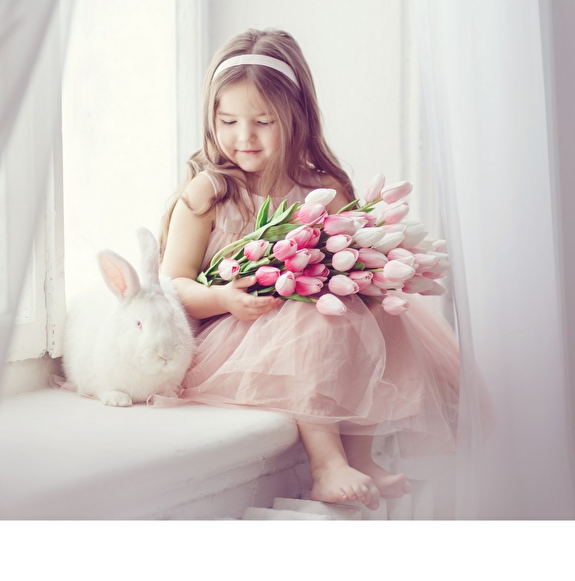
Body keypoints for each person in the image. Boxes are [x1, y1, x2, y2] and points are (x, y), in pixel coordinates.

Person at [158, 28, 460, 511]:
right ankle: (326, 465)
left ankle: (360, 456)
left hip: (314, 323)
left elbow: (356, 262)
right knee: (308, 314)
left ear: (296, 118)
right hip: (236, 330)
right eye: (228, 120)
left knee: (375, 303)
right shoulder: (209, 194)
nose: (243, 137)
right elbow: (172, 284)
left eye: (263, 122)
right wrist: (222, 298)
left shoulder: (324, 188)